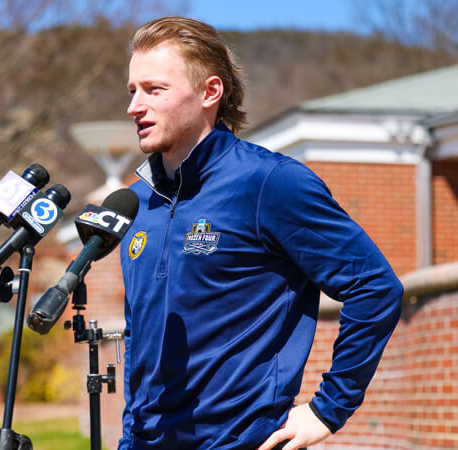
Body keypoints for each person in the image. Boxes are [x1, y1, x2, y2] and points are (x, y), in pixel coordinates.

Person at [119, 17, 402, 450]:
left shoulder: (269, 183)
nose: (135, 106)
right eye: (133, 91)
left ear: (210, 93)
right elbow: (140, 337)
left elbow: (375, 288)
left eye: (154, 90)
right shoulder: (136, 203)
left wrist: (329, 409)